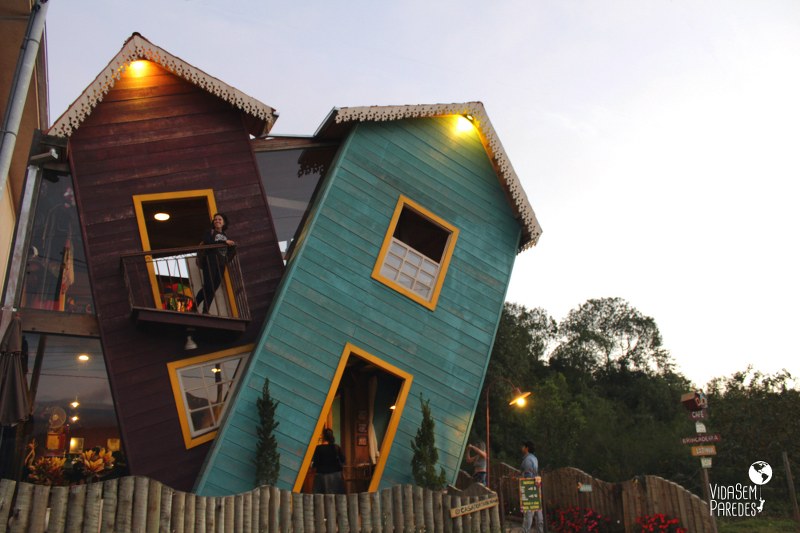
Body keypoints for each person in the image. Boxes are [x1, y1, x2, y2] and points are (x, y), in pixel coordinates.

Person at [194, 213, 235, 314]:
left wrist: (228, 255)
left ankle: (205, 311)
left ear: (224, 222)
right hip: (210, 261)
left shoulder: (225, 236)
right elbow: (208, 243)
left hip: (221, 264)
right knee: (208, 286)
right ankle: (194, 305)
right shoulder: (209, 232)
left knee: (213, 288)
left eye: (219, 219)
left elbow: (230, 251)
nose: (217, 221)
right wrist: (224, 243)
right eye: (215, 219)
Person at [311, 428, 345, 494]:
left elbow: (315, 462)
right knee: (335, 496)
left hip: (321, 475)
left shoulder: (318, 448)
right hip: (335, 475)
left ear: (323, 436)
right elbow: (343, 459)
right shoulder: (336, 447)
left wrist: (313, 466)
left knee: (320, 496)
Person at [520, 440, 544, 533]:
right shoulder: (534, 458)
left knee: (528, 515)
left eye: (523, 447)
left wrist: (526, 486)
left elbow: (528, 476)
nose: (521, 448)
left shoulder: (527, 460)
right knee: (538, 513)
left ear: (526, 448)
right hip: (536, 487)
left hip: (529, 488)